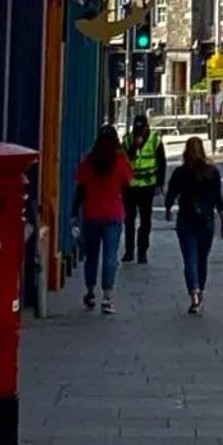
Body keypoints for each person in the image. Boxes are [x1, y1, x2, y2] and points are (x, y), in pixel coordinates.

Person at [72, 124, 133, 314]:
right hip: (114, 213)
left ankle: (90, 291)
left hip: (92, 214)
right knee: (110, 255)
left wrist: (74, 211)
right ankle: (107, 296)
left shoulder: (89, 162)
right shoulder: (120, 161)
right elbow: (127, 186)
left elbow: (81, 190)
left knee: (91, 255)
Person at [164, 136, 223, 313]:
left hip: (186, 220)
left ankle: (194, 292)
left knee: (189, 259)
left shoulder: (180, 173)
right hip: (206, 220)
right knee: (202, 259)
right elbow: (218, 198)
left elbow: (171, 193)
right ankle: (201, 290)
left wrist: (168, 209)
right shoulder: (212, 172)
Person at [122, 114, 167, 264]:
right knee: (129, 220)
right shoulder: (128, 139)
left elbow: (161, 162)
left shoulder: (155, 140)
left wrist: (160, 183)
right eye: (136, 130)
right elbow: (122, 160)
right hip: (130, 186)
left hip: (148, 186)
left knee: (145, 221)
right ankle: (129, 251)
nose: (138, 133)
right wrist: (134, 146)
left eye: (141, 130)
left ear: (147, 127)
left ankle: (142, 251)